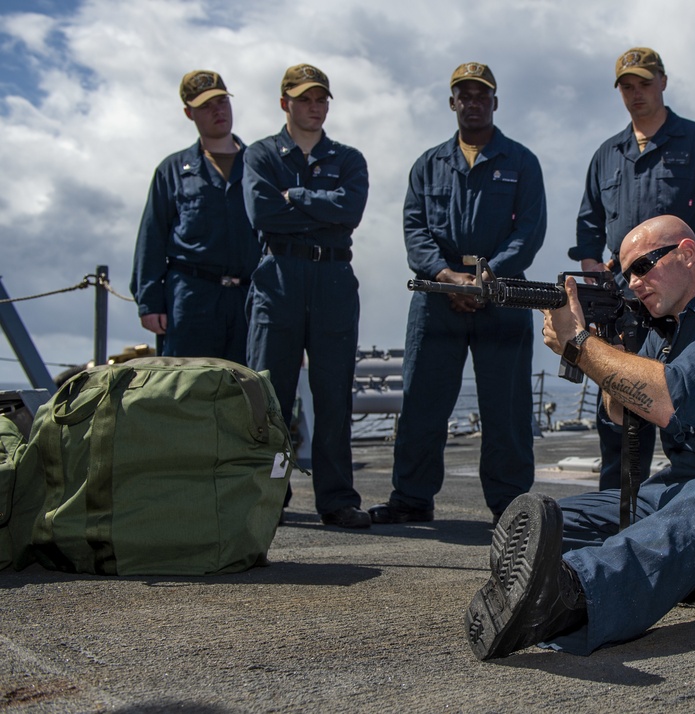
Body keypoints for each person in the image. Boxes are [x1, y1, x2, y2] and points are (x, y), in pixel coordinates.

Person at [464, 215, 695, 660]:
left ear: (687, 254)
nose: (632, 283)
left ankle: (570, 599)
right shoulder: (665, 333)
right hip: (682, 488)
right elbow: (622, 410)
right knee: (547, 528)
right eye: (626, 273)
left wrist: (581, 343)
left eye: (643, 266)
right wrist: (607, 348)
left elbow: (669, 401)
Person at [368, 62, 546, 526]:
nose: (472, 102)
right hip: (437, 299)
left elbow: (528, 231)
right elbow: (414, 230)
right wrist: (447, 276)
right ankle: (411, 498)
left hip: (503, 298)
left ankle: (510, 506)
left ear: (495, 102)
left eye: (481, 95)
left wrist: (487, 280)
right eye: (463, 95)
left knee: (506, 408)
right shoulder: (428, 165)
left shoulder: (522, 162)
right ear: (452, 103)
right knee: (423, 402)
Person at [570, 47, 695, 490]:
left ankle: (690, 505)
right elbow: (588, 226)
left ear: (663, 82)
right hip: (622, 304)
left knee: (682, 408)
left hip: (679, 306)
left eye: (644, 83)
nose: (636, 93)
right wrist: (599, 276)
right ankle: (615, 516)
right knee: (616, 413)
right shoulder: (607, 154)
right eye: (627, 86)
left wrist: (685, 272)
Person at [242, 64, 370, 529]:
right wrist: (320, 206)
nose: (314, 108)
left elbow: (349, 211)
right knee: (271, 395)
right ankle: (269, 494)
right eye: (304, 100)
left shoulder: (349, 158)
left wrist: (293, 195)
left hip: (333, 276)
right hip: (279, 275)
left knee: (334, 393)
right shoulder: (260, 155)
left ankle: (337, 499)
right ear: (285, 105)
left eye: (321, 100)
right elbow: (262, 213)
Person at [130, 70, 259, 363]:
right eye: (205, 106)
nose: (218, 111)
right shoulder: (172, 170)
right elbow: (152, 237)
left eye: (222, 101)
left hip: (249, 299)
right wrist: (149, 303)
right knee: (185, 393)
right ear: (189, 113)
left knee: (249, 394)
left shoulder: (259, 166)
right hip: (191, 300)